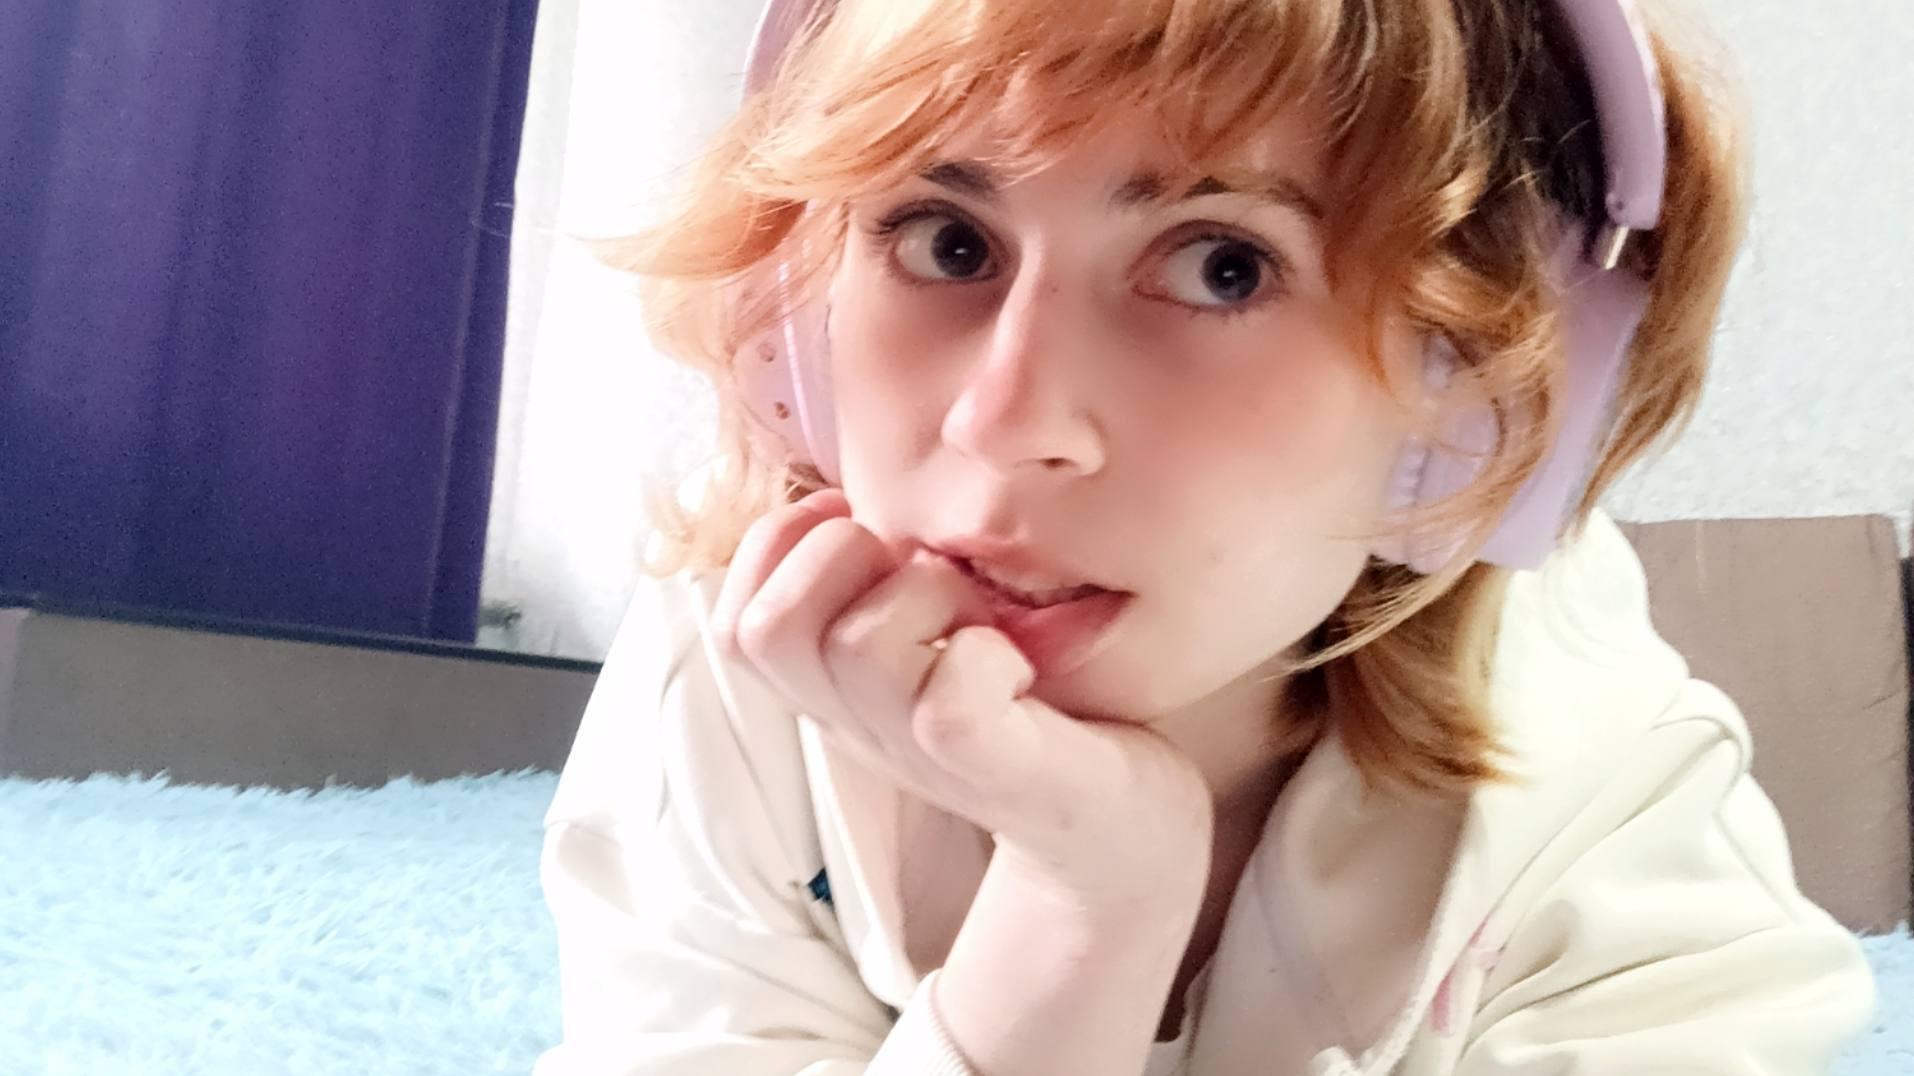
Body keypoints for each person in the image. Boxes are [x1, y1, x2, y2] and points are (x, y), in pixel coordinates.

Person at [534, 0, 1877, 1072]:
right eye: (945, 241)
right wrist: (1085, 904)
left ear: (1470, 397)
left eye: (1219, 265)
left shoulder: (1603, 814)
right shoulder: (740, 673)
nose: (1006, 422)